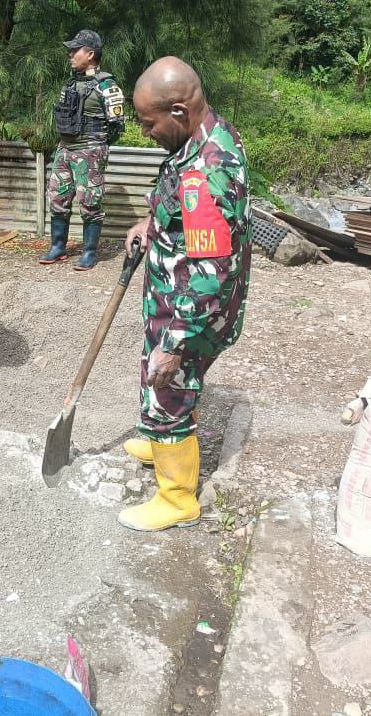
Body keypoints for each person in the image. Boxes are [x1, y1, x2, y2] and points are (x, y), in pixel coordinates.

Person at [118, 57, 252, 532]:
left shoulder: (207, 172)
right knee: (158, 375)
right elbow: (185, 213)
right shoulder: (204, 135)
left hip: (191, 310)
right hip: (174, 299)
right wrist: (152, 223)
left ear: (178, 110)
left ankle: (177, 499)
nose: (145, 132)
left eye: (148, 123)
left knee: (167, 383)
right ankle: (158, 437)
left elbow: (212, 272)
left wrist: (176, 342)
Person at [39, 29, 125, 271]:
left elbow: (117, 126)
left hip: (90, 151)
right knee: (57, 198)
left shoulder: (107, 85)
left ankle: (89, 252)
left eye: (74, 50)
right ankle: (58, 246)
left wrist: (96, 147)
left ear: (90, 54)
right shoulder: (71, 83)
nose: (70, 54)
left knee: (90, 202)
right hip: (65, 149)